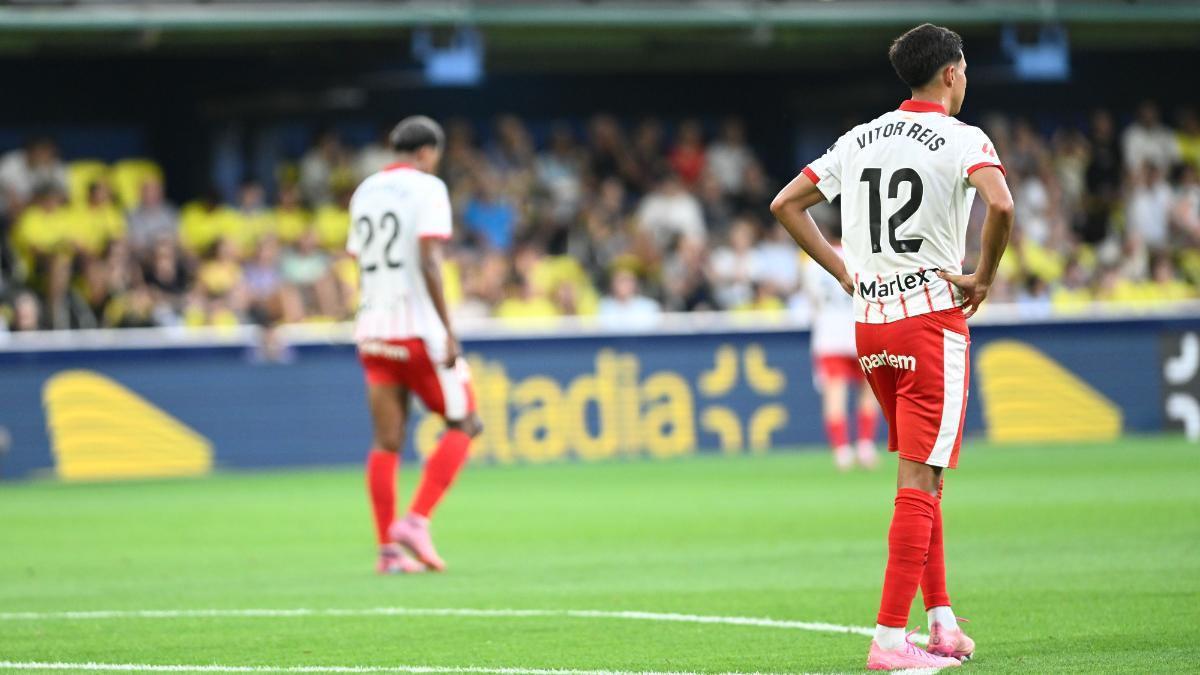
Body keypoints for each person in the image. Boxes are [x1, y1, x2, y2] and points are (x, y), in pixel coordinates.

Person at [770, 23, 1013, 670]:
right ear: (952, 73)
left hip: (872, 325)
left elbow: (786, 203)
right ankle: (887, 639)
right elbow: (1001, 205)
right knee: (920, 477)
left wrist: (842, 271)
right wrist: (983, 276)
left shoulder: (860, 137)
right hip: (930, 320)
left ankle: (942, 623)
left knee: (921, 472)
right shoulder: (963, 138)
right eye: (965, 70)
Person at [347, 115, 483, 575]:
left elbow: (359, 261)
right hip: (418, 328)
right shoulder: (428, 188)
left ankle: (387, 552)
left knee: (386, 441)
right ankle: (416, 520)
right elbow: (428, 260)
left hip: (373, 330)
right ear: (427, 153)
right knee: (466, 421)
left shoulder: (365, 191)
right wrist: (448, 329)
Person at [804, 225, 880, 471]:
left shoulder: (812, 262)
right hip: (863, 329)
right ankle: (866, 446)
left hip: (829, 335)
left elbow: (813, 301)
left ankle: (841, 451)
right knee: (869, 391)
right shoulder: (865, 255)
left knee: (834, 394)